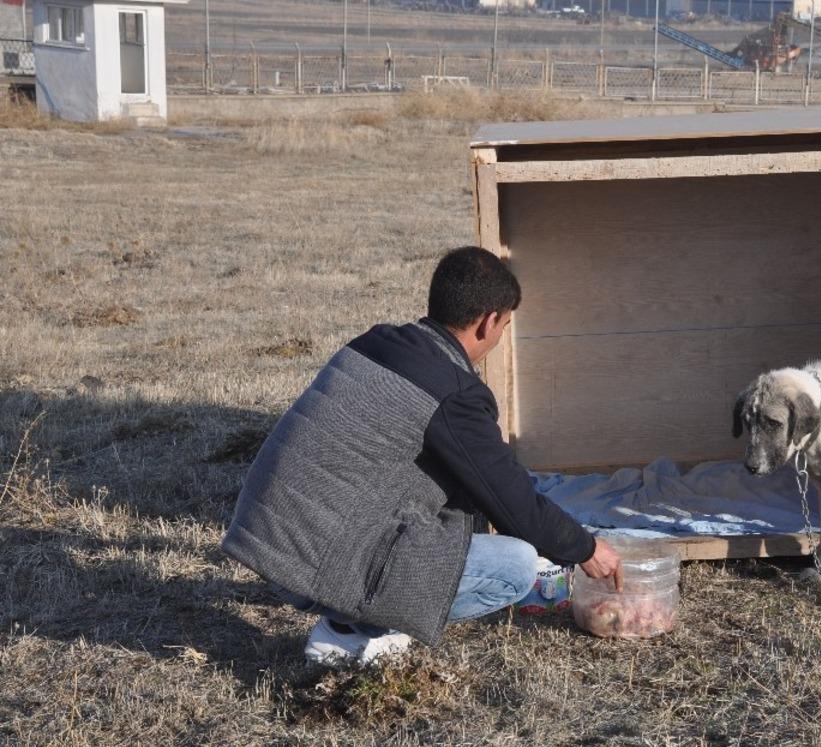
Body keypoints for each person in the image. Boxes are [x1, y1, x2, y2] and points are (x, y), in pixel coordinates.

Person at [221, 246, 622, 667]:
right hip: (310, 567)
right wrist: (584, 548)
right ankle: (352, 631)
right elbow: (513, 500)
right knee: (515, 568)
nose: (500, 335)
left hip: (265, 539)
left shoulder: (375, 343)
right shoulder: (454, 392)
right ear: (488, 322)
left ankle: (352, 616)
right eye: (504, 325)